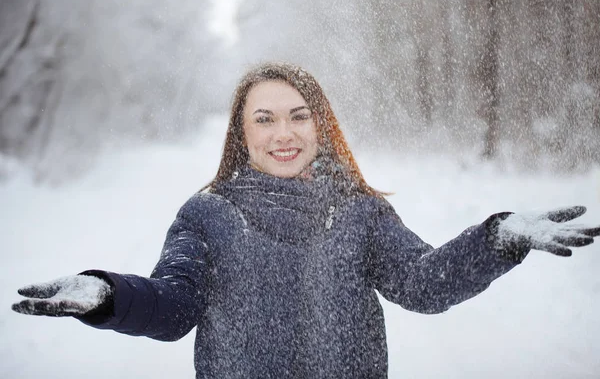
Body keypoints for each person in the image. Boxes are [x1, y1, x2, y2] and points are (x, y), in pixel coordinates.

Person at [12, 62, 600, 378]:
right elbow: (171, 307)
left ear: (321, 125)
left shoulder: (361, 212)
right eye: (264, 119)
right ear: (242, 136)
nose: (283, 133)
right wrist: (108, 295)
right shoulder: (209, 215)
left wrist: (498, 238)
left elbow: (422, 283)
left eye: (298, 116)